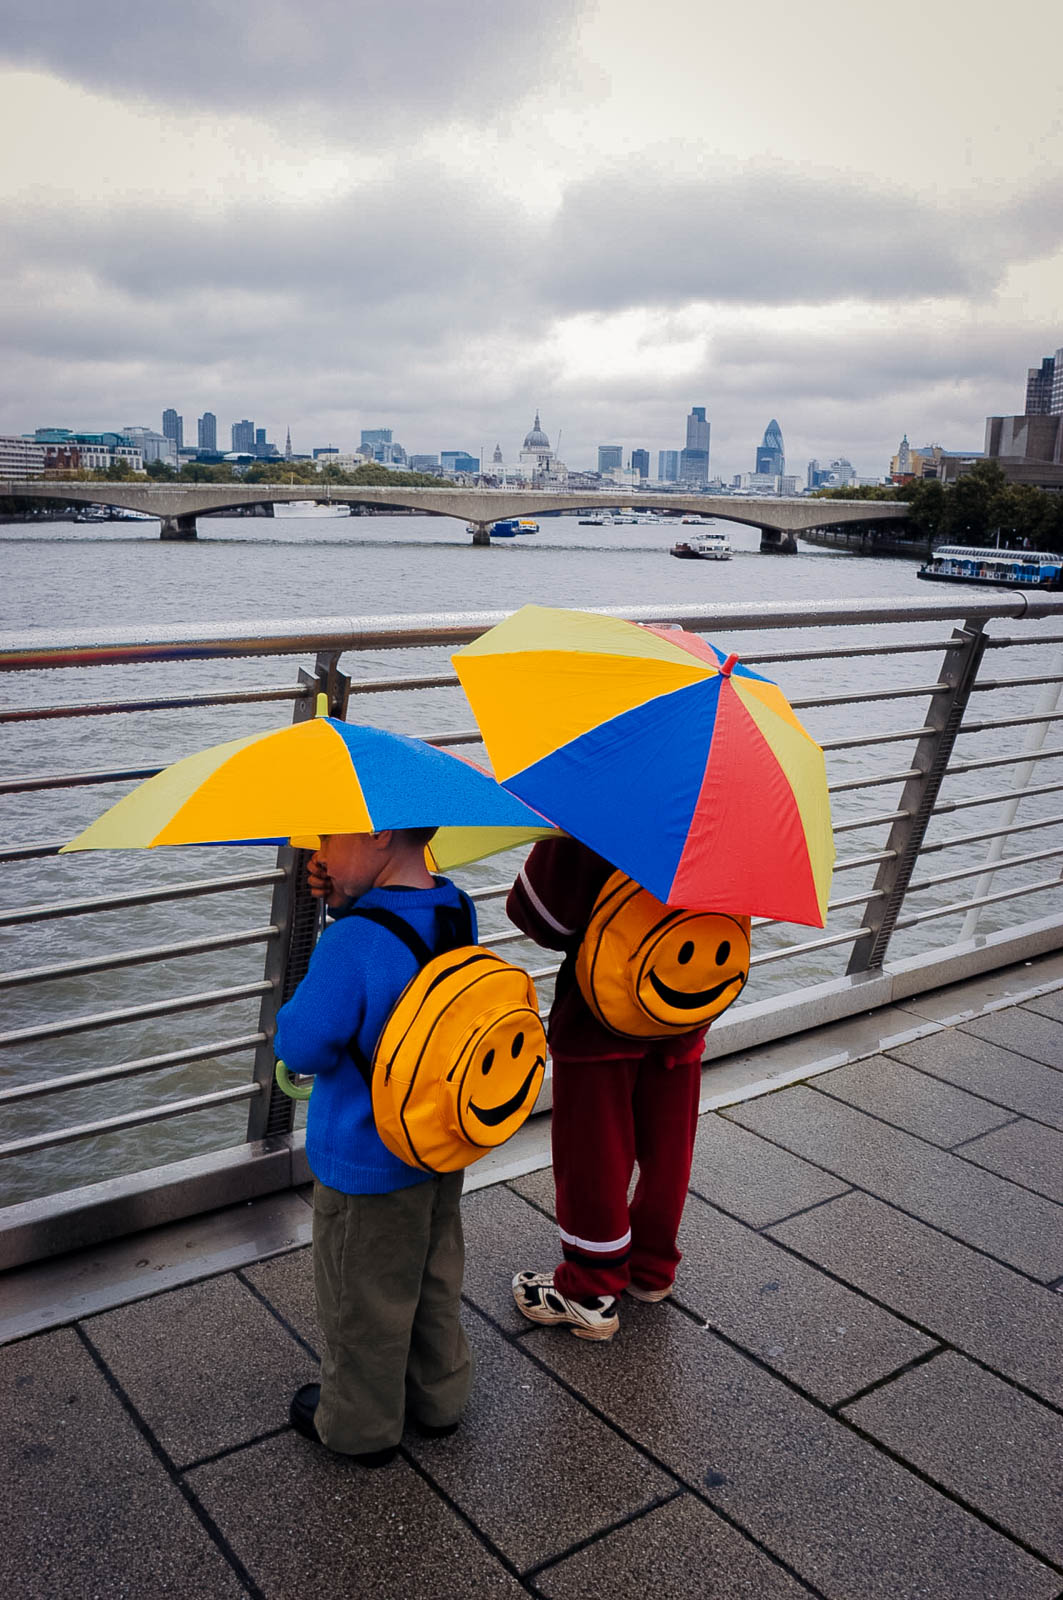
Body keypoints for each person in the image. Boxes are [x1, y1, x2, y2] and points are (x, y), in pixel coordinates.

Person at [274, 828, 474, 1464]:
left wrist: (339, 930)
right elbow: (403, 972)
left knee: (363, 1300)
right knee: (433, 1276)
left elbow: (302, 1044)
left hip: (367, 1159)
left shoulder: (350, 941)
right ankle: (440, 1399)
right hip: (437, 1146)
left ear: (378, 833)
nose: (318, 856)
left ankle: (359, 1426)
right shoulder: (454, 907)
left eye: (329, 838)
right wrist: (345, 899)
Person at [506, 835, 708, 1341]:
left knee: (593, 1154)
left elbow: (540, 916)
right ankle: (652, 1269)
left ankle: (590, 1290)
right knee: (668, 1149)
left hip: (601, 1016)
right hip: (685, 1007)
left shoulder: (605, 800)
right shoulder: (723, 805)